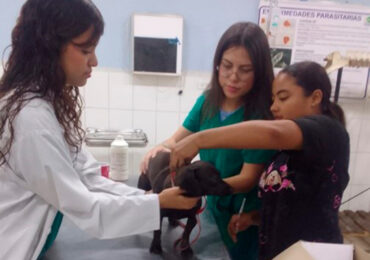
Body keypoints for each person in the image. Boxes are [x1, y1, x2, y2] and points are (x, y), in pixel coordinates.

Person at [0, 1, 198, 259]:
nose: (95, 60)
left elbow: (88, 177)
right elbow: (84, 205)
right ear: (48, 48)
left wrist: (149, 197)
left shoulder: (47, 103)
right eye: (86, 50)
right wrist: (158, 203)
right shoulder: (29, 119)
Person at [169, 61, 349, 260]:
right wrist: (253, 218)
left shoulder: (329, 131)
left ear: (315, 97)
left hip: (314, 254)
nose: (274, 107)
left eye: (283, 98)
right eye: (273, 99)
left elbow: (273, 133)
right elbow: (290, 203)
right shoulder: (287, 152)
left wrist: (199, 139)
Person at [140, 22, 275, 259]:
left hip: (241, 216)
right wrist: (157, 150)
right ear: (217, 65)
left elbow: (247, 179)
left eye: (245, 69)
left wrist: (207, 187)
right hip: (211, 207)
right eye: (227, 66)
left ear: (260, 72)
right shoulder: (208, 101)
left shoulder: (260, 118)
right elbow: (177, 142)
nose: (233, 77)